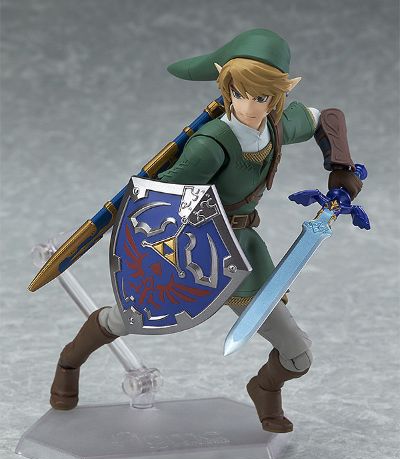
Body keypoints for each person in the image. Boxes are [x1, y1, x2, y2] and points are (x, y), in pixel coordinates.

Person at [50, 29, 362, 433]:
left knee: (297, 353)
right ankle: (69, 361)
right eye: (239, 94)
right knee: (126, 318)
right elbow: (158, 204)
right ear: (227, 89)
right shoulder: (210, 145)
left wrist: (341, 165)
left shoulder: (276, 127)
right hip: (190, 251)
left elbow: (327, 118)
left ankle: (264, 388)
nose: (249, 106)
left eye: (261, 97)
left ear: (276, 96)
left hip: (243, 252)